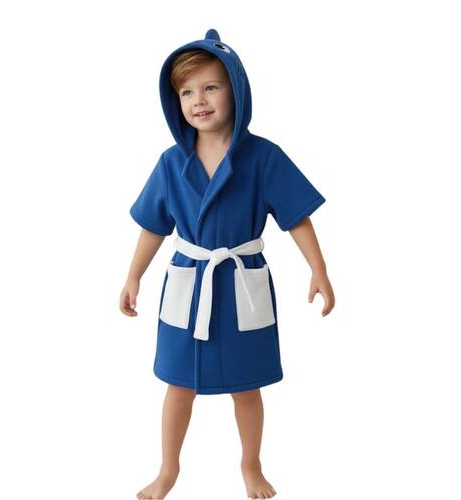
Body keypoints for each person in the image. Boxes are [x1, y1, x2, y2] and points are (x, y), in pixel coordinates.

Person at [120, 29, 335, 500]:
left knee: (247, 386)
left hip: (240, 283)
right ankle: (168, 470)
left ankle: (251, 465)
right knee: (178, 385)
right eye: (186, 92)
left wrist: (318, 269)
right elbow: (153, 225)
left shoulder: (263, 157)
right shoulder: (171, 163)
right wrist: (134, 275)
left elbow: (296, 217)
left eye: (211, 87)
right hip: (189, 282)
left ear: (236, 90)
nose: (198, 100)